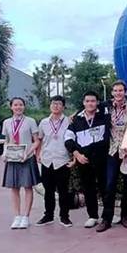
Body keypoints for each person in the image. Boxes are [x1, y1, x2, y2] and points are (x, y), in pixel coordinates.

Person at [95, 80, 127, 233]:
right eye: (115, 90)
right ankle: (106, 219)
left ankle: (125, 216)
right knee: (109, 185)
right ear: (112, 93)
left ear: (125, 92)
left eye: (120, 90)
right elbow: (88, 108)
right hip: (112, 151)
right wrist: (74, 116)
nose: (118, 93)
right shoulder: (105, 107)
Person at [65, 91, 108, 229]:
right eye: (87, 101)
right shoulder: (76, 120)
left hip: (102, 159)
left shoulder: (104, 115)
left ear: (97, 103)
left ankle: (108, 215)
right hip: (84, 159)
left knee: (105, 187)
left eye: (93, 101)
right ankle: (93, 216)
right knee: (89, 188)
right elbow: (68, 139)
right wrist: (76, 154)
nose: (90, 103)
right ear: (83, 103)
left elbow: (115, 100)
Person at [2, 97, 41, 229]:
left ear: (24, 107)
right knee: (14, 187)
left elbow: (36, 141)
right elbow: (7, 141)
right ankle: (17, 216)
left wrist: (28, 153)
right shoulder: (7, 122)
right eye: (15, 105)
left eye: (20, 105)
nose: (18, 107)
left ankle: (26, 216)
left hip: (26, 158)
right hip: (13, 158)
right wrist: (5, 153)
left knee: (28, 187)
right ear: (11, 107)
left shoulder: (30, 121)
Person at [35, 95, 73, 227]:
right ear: (50, 106)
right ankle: (48, 215)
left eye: (59, 104)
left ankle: (64, 217)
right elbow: (39, 139)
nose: (55, 106)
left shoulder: (69, 121)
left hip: (63, 160)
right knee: (48, 191)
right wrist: (38, 154)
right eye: (53, 103)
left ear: (63, 107)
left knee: (63, 191)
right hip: (47, 160)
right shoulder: (44, 122)